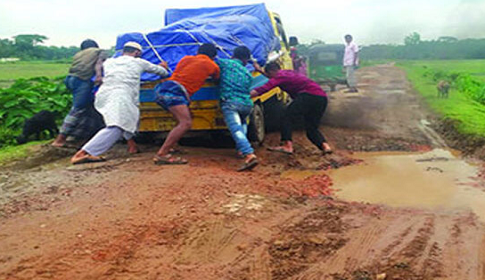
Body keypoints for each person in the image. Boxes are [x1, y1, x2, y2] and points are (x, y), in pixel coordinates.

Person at [70, 42, 169, 164]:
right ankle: (83, 153)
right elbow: (163, 72)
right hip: (121, 95)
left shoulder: (110, 62)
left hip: (105, 94)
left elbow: (99, 66)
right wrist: (163, 66)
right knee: (117, 127)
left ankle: (132, 145)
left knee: (126, 120)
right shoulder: (139, 62)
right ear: (137, 53)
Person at [153, 43, 220, 165]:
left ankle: (173, 145)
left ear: (198, 52)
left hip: (162, 89)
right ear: (214, 56)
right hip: (176, 93)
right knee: (186, 122)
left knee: (180, 119)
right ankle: (162, 154)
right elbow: (217, 79)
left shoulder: (185, 59)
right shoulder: (213, 66)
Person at [250, 62, 332, 155]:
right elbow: (272, 78)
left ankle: (287, 146)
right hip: (321, 98)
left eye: (269, 74)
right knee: (312, 128)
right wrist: (259, 70)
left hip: (307, 96)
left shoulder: (278, 77)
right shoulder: (287, 73)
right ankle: (325, 146)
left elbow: (263, 89)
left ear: (272, 71)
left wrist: (244, 96)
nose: (269, 77)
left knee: (286, 117)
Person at [52, 39, 107, 147]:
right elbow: (99, 64)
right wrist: (99, 76)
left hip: (70, 79)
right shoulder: (100, 51)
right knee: (78, 109)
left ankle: (79, 135)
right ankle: (60, 139)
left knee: (89, 107)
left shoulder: (79, 54)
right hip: (83, 80)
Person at [217, 46, 258, 171]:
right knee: (242, 124)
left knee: (235, 128)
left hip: (231, 103)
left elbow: (209, 61)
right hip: (246, 104)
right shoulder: (248, 73)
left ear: (233, 55)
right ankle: (240, 150)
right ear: (246, 60)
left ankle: (249, 154)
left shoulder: (225, 63)